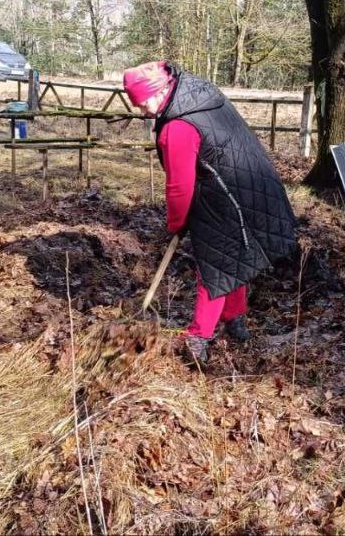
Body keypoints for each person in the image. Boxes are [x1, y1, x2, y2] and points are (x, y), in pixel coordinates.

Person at [123, 61, 297, 364]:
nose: (143, 110)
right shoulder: (197, 96)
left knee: (214, 267)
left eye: (144, 101)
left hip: (228, 192)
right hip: (253, 183)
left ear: (162, 89)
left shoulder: (178, 127)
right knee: (233, 258)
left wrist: (176, 223)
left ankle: (198, 339)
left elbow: (180, 187)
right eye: (137, 105)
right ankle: (235, 322)